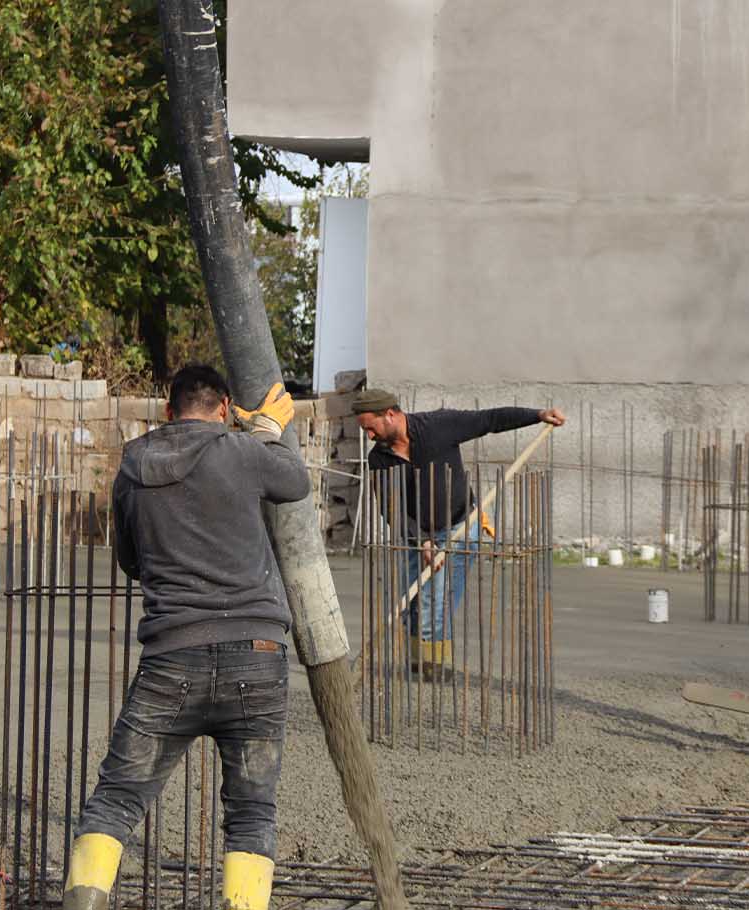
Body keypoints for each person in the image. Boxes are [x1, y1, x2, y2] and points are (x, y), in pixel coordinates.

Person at [60, 365, 305, 910]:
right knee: (251, 813)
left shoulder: (133, 465)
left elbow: (130, 561)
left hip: (172, 660)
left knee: (117, 801)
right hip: (258, 657)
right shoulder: (242, 452)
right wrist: (264, 431)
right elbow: (294, 481)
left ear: (168, 412)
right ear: (222, 409)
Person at [353, 390, 565, 673]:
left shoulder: (439, 426)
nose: (368, 435)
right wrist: (423, 541)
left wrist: (537, 415)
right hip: (419, 534)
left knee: (436, 598)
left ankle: (435, 664)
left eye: (371, 427)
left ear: (390, 414)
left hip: (460, 526)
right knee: (413, 599)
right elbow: (392, 509)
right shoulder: (379, 458)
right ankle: (420, 661)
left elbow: (489, 419)